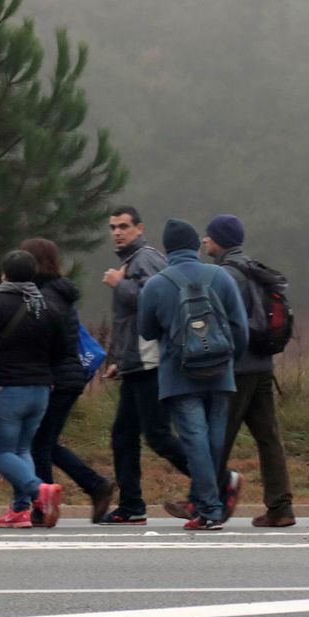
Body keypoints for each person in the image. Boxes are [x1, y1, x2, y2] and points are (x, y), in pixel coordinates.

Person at [137, 218, 250, 530]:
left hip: (179, 375)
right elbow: (240, 328)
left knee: (194, 441)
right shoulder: (220, 277)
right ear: (194, 246)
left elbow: (145, 331)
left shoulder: (156, 284)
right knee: (214, 440)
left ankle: (210, 509)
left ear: (167, 248)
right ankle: (207, 506)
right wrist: (229, 359)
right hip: (220, 372)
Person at [201, 215, 297, 527]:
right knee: (268, 437)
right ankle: (281, 508)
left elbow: (223, 323)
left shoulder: (224, 274)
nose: (204, 240)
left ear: (221, 240)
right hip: (263, 365)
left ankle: (204, 504)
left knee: (218, 437)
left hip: (237, 368)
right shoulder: (255, 269)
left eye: (209, 235)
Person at [100, 205, 190, 525]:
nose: (117, 232)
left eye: (123, 226)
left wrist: (118, 285)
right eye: (112, 227)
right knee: (123, 435)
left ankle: (219, 481)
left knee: (158, 436)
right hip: (135, 364)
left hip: (151, 364)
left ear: (139, 228)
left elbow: (156, 299)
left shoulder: (147, 257)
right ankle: (132, 505)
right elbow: (127, 320)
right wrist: (117, 360)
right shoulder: (130, 262)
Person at [0, 249, 67, 529]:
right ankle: (20, 510)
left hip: (5, 389)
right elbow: (61, 350)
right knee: (22, 449)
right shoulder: (49, 307)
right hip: (41, 390)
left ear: (4, 274)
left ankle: (39, 491)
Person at [21, 237, 116, 526]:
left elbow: (47, 342)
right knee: (45, 442)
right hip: (68, 376)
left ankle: (44, 506)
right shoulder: (58, 293)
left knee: (39, 443)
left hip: (58, 378)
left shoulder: (46, 297)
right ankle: (95, 485)